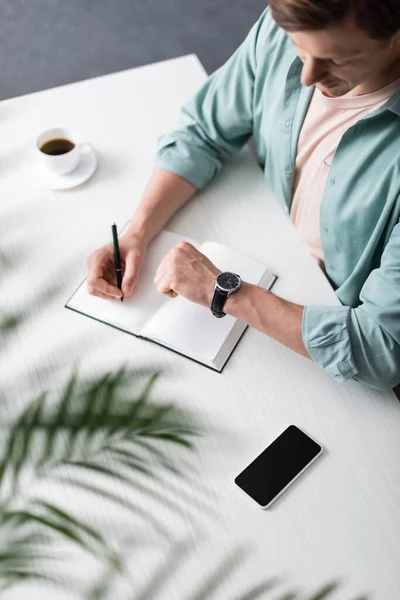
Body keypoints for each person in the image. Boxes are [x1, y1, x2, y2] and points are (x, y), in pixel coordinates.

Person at [87, 0, 400, 390]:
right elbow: (202, 132)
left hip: (327, 335)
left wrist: (223, 293)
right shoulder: (280, 29)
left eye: (336, 59)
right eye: (300, 49)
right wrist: (138, 231)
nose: (308, 76)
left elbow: (383, 347)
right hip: (267, 250)